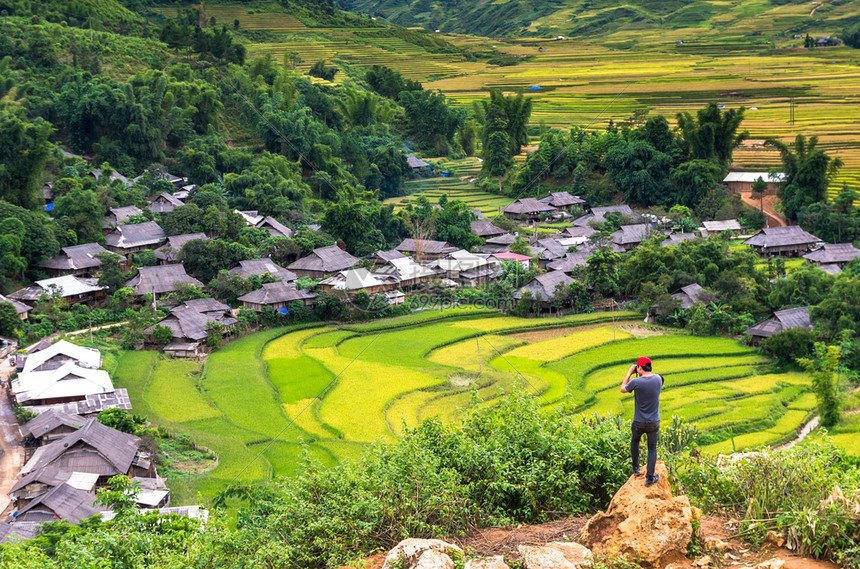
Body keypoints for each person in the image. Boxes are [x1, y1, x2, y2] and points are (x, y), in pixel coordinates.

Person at [620, 356, 663, 487]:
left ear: (639, 368)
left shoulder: (636, 382)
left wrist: (629, 373)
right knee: (652, 448)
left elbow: (623, 389)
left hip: (639, 421)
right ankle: (650, 478)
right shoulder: (658, 379)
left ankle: (636, 469)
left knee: (635, 441)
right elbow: (656, 379)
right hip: (654, 422)